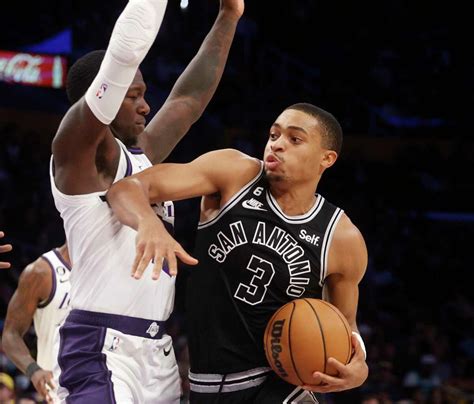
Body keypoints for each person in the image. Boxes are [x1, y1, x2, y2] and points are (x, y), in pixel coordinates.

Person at [106, 102, 370, 403]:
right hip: (204, 384)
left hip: (280, 387)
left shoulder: (342, 237)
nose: (277, 145)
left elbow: (346, 325)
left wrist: (359, 366)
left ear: (327, 158)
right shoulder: (235, 173)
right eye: (274, 135)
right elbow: (125, 189)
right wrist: (147, 222)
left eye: (294, 139)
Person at [49, 0, 244, 402]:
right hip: (100, 345)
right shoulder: (76, 156)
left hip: (158, 352)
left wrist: (229, 15)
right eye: (132, 95)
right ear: (102, 96)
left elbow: (187, 101)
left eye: (144, 94)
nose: (145, 105)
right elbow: (122, 56)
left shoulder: (141, 155)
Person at [2, 244, 71, 404]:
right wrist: (33, 370)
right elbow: (10, 334)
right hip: (59, 390)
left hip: (108, 380)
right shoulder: (42, 272)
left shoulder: (113, 271)